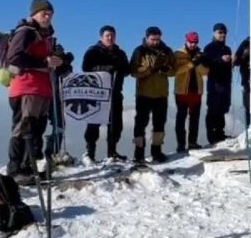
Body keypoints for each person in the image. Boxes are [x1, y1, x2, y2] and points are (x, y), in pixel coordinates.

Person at [5, 0, 64, 184]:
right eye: (43, 13)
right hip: (26, 88)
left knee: (36, 130)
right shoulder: (27, 32)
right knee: (23, 129)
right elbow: (14, 57)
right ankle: (15, 170)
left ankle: (29, 168)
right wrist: (44, 62)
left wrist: (57, 62)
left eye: (50, 14)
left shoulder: (45, 36)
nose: (47, 17)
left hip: (41, 89)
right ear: (34, 14)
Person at [81, 25, 130, 163]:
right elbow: (86, 68)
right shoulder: (93, 51)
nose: (110, 38)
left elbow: (127, 70)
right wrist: (106, 69)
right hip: (97, 93)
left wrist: (120, 68)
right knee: (94, 123)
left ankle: (112, 152)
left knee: (116, 124)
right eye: (107, 35)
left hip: (115, 92)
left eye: (112, 35)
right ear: (101, 37)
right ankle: (90, 153)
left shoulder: (120, 53)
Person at [130, 27, 176, 163]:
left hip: (161, 94)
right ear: (146, 37)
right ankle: (138, 153)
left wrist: (166, 70)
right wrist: (149, 69)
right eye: (152, 39)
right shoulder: (139, 51)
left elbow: (174, 70)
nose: (155, 42)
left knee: (160, 124)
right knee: (140, 124)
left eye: (157, 39)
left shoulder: (167, 51)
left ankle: (157, 151)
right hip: (144, 93)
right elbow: (133, 70)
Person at [173, 32, 209, 152]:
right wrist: (192, 63)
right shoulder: (178, 54)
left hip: (196, 91)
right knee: (181, 117)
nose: (193, 44)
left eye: (195, 42)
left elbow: (206, 72)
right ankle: (181, 144)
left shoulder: (201, 54)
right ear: (186, 41)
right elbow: (176, 71)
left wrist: (199, 63)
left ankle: (193, 142)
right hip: (182, 91)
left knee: (195, 118)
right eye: (191, 42)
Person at [44, 42, 74, 163]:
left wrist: (65, 62)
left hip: (49, 96)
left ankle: (51, 152)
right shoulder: (45, 62)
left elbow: (68, 72)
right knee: (58, 124)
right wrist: (66, 61)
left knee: (59, 124)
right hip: (48, 96)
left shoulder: (62, 67)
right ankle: (49, 153)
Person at [203, 23, 233, 145]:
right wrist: (220, 60)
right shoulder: (209, 48)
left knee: (223, 107)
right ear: (214, 33)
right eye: (220, 32)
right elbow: (206, 63)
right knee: (213, 108)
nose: (223, 35)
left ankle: (220, 133)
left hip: (226, 82)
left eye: (224, 32)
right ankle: (212, 136)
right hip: (215, 82)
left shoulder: (227, 49)